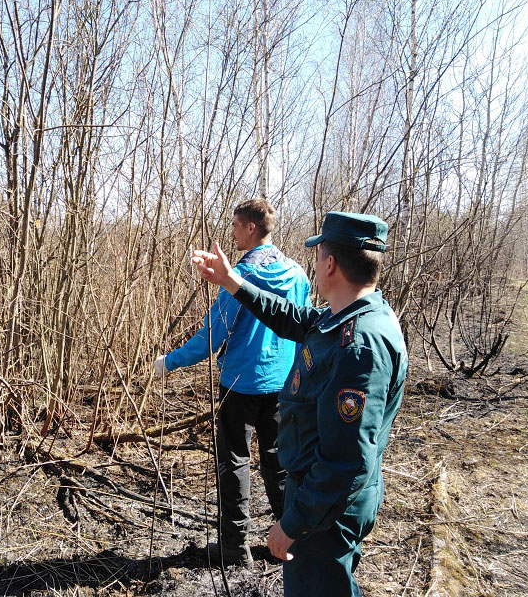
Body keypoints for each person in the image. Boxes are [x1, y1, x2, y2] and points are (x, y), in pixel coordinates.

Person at [191, 211, 407, 596]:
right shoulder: (349, 317)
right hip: (321, 499)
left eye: (318, 252)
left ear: (329, 264)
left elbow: (347, 460)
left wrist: (293, 522)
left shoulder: (359, 347)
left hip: (326, 510)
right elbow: (292, 317)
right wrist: (230, 281)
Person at [154, 198, 311, 567]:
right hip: (282, 386)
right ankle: (289, 541)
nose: (233, 231)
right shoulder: (298, 274)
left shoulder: (239, 277)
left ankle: (233, 548)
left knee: (234, 463)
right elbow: (303, 329)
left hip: (239, 384)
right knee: (280, 462)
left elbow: (211, 337)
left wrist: (169, 361)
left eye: (236, 225)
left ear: (251, 229)